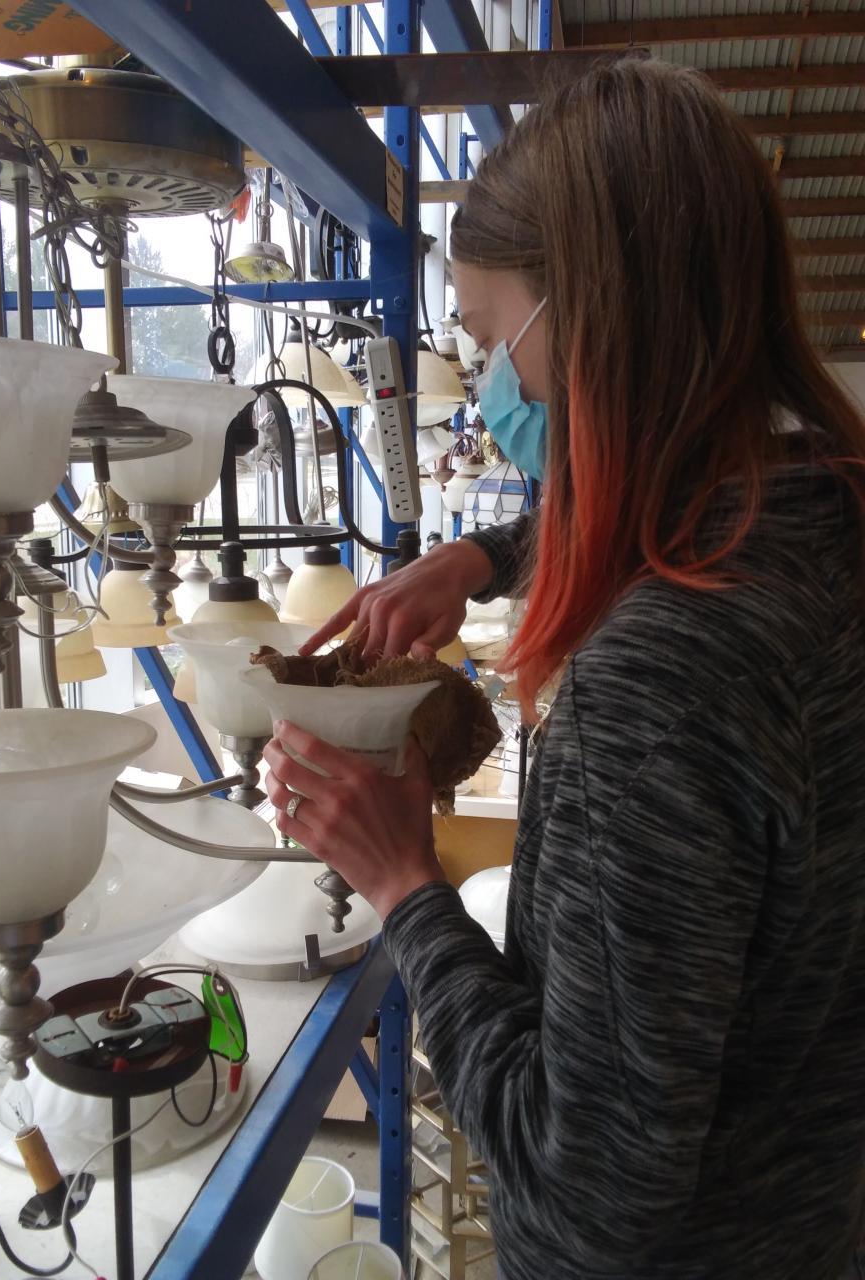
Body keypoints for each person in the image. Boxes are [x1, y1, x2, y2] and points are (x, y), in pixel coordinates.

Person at [263, 58, 865, 1280]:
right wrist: (482, 554)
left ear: (594, 323)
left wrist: (405, 886)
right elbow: (685, 504)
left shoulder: (656, 682)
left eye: (496, 339)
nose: (498, 388)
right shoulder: (833, 517)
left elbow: (585, 1190)